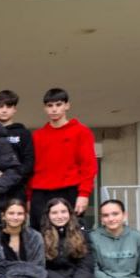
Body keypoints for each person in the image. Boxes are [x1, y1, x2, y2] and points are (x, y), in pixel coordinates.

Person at [30, 88, 97, 222]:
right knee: (40, 232)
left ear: (67, 106)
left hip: (70, 191)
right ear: (45, 108)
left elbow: (88, 166)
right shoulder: (37, 136)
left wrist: (84, 194)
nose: (54, 109)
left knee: (71, 232)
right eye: (50, 106)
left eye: (58, 105)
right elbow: (30, 169)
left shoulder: (82, 132)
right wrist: (28, 197)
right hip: (40, 193)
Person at [0, 90, 34, 189]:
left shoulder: (23, 133)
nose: (4, 110)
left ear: (14, 109)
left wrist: (10, 177)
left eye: (9, 107)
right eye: (1, 106)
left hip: (17, 187)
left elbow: (29, 163)